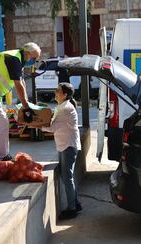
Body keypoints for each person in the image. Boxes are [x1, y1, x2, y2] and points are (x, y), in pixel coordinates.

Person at [0, 42, 41, 161]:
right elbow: (18, 85)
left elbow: (22, 83)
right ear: (27, 54)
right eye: (34, 58)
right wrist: (26, 107)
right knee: (1, 123)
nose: (34, 61)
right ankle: (0, 157)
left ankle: (2, 154)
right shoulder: (14, 59)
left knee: (1, 123)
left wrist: (27, 105)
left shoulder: (17, 57)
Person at [40, 82, 82, 219]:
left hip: (68, 146)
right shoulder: (62, 107)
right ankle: (75, 203)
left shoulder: (66, 109)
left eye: (58, 90)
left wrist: (37, 125)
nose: (55, 92)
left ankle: (72, 209)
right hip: (65, 145)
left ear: (64, 95)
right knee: (67, 177)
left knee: (67, 178)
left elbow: (52, 128)